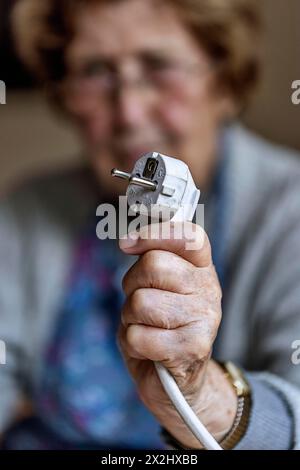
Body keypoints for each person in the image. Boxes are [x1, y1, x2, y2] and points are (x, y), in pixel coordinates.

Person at [0, 0, 299, 450]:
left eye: (159, 66)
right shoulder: (28, 210)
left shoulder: (290, 210)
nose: (128, 113)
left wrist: (203, 395)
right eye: (95, 71)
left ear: (223, 80)